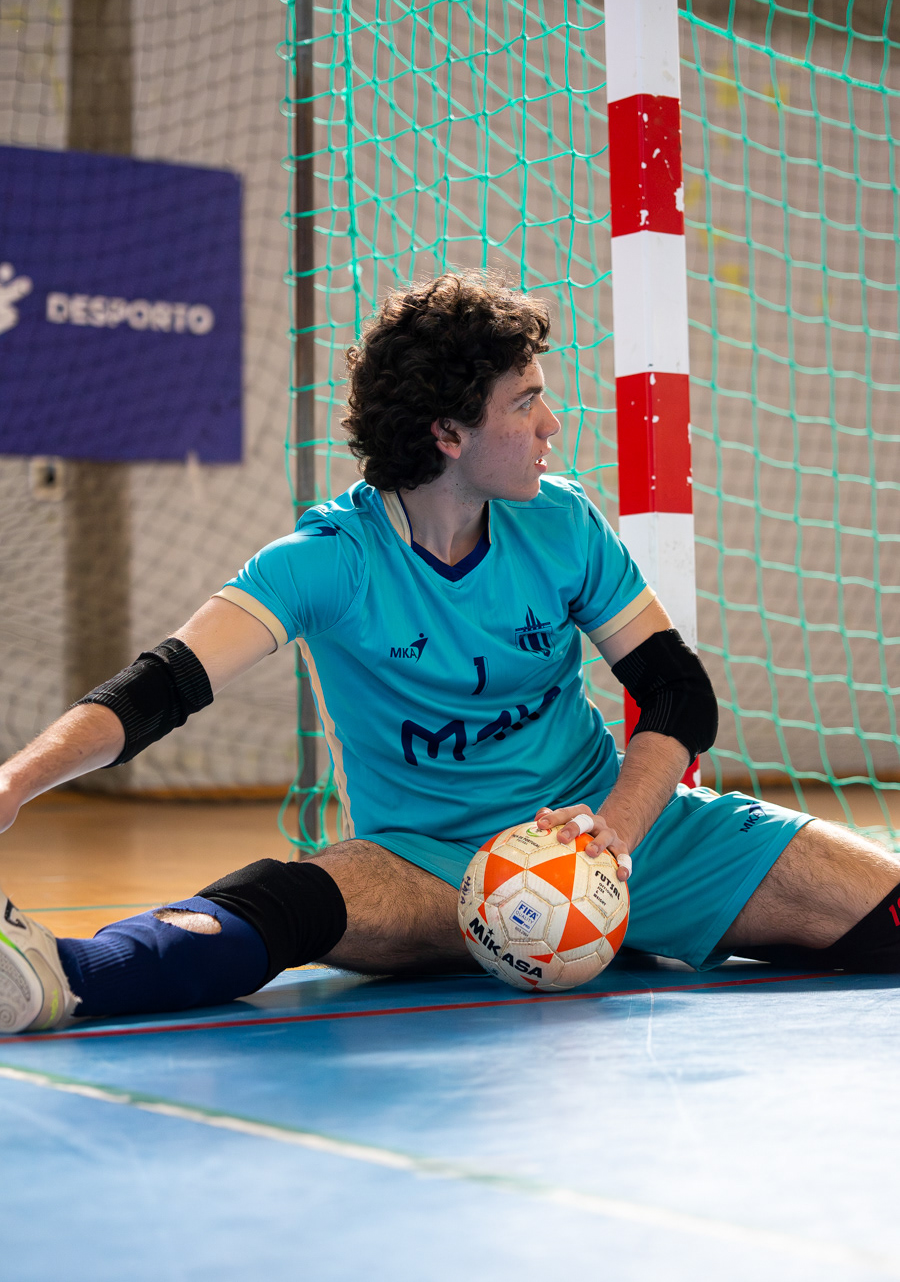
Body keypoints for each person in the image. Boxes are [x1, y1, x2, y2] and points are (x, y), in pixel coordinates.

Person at [1, 271, 899, 1034]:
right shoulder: (330, 560)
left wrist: (617, 833)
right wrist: (14, 784)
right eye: (525, 403)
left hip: (614, 838)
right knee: (301, 901)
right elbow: (163, 687)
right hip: (434, 868)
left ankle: (646, 912)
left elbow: (677, 692)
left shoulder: (563, 521)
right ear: (448, 434)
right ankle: (57, 971)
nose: (551, 424)